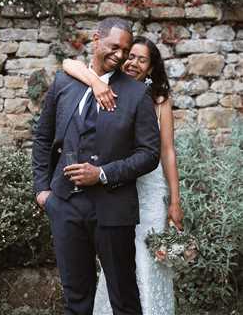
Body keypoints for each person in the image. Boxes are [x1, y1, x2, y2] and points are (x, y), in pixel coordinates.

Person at [32, 18, 160, 315]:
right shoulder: (65, 82)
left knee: (124, 299)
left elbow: (149, 153)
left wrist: (102, 174)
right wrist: (42, 191)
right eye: (114, 46)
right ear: (96, 39)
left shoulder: (136, 93)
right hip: (64, 205)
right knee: (75, 298)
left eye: (125, 50)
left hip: (113, 210)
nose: (119, 55)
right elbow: (42, 137)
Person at [63, 35, 184, 315]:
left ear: (151, 68)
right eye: (131, 56)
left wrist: (175, 202)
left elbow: (167, 152)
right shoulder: (106, 86)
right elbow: (68, 62)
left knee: (144, 258)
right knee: (115, 260)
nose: (133, 63)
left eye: (143, 60)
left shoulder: (159, 99)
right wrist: (94, 82)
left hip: (148, 191)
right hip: (113, 190)